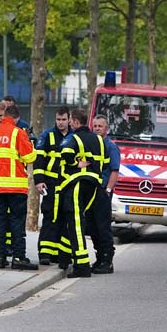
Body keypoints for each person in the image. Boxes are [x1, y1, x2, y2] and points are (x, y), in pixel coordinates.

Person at [0, 104, 38, 270]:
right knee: (17, 222)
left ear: (4, 117)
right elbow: (30, 157)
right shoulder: (18, 133)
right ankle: (18, 257)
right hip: (16, 187)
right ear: (16, 119)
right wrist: (29, 141)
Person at [56, 108, 108, 278]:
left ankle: (82, 265)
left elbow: (65, 154)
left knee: (77, 224)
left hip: (77, 183)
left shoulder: (74, 138)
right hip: (94, 185)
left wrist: (76, 164)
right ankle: (64, 258)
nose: (69, 123)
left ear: (76, 122)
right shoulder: (99, 140)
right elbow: (105, 162)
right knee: (74, 221)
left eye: (71, 120)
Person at [33, 106, 70, 265]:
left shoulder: (74, 137)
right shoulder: (47, 136)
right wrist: (39, 181)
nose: (60, 123)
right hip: (50, 184)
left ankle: (57, 253)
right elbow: (39, 160)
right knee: (49, 217)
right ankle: (45, 253)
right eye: (58, 119)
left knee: (63, 217)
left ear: (69, 119)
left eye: (63, 120)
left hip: (67, 185)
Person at [88, 114, 120, 274]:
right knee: (92, 226)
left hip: (102, 191)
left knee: (102, 226)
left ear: (106, 129)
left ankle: (107, 261)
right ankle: (99, 258)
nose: (97, 129)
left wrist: (108, 190)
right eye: (95, 126)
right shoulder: (92, 145)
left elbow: (115, 170)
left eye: (100, 126)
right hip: (91, 191)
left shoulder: (110, 146)